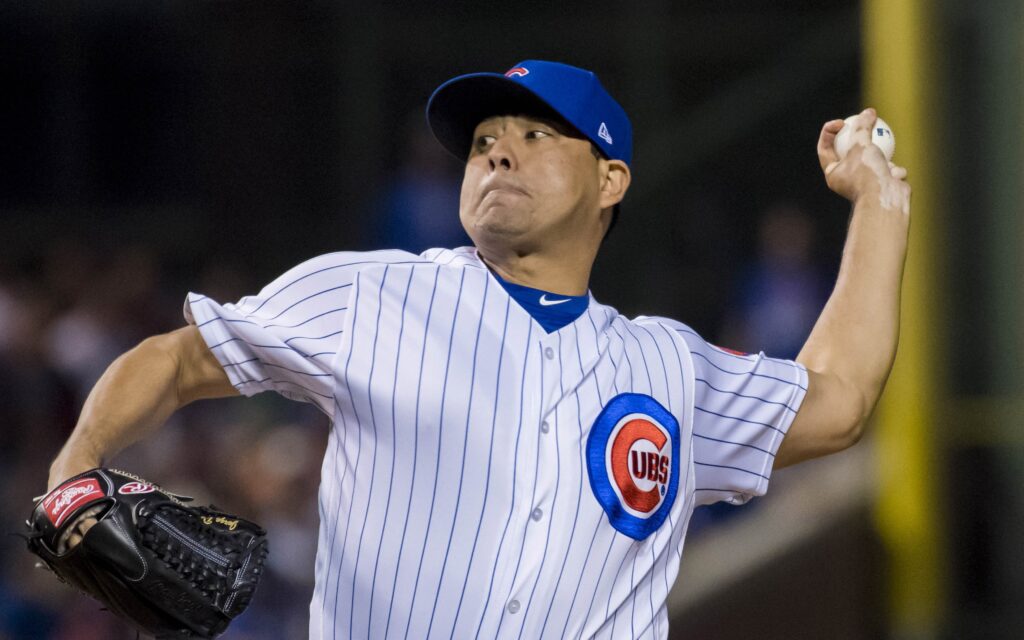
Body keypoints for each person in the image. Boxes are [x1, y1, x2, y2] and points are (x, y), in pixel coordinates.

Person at [47, 60, 911, 639]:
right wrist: (73, 470)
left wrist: (880, 204)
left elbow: (837, 398)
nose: (498, 147)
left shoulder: (669, 368)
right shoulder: (371, 293)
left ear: (610, 179)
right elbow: (176, 359)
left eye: (538, 134)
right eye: (486, 138)